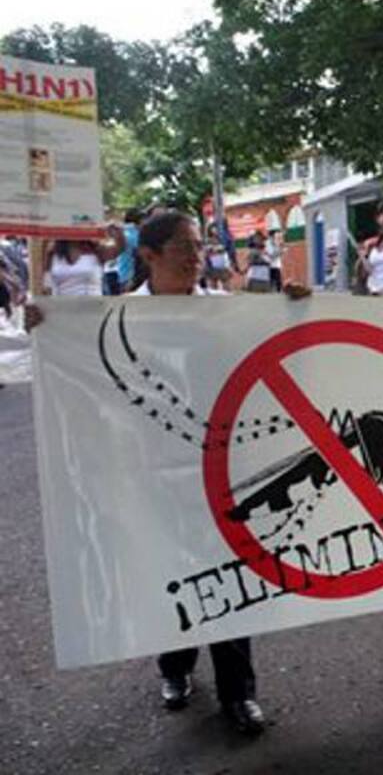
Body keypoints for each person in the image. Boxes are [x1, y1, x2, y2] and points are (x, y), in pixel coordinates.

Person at [25, 209, 310, 735]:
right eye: (184, 246)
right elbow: (76, 368)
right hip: (151, 470)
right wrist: (45, 326)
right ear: (149, 256)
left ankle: (239, 695)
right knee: (172, 569)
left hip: (220, 467)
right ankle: (174, 668)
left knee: (228, 573)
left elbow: (274, 344)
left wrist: (294, 306)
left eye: (199, 246)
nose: (196, 256)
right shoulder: (117, 317)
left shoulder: (224, 310)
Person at [41, 235, 123, 297]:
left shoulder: (96, 249)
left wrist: (117, 233)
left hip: (92, 310)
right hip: (62, 310)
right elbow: (46, 284)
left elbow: (119, 249)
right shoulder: (52, 251)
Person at [204, 225, 235, 292]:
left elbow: (227, 249)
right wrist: (214, 250)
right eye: (213, 229)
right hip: (212, 267)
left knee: (227, 286)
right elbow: (207, 252)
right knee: (213, 287)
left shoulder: (223, 238)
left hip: (224, 266)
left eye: (216, 229)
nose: (215, 230)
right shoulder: (207, 240)